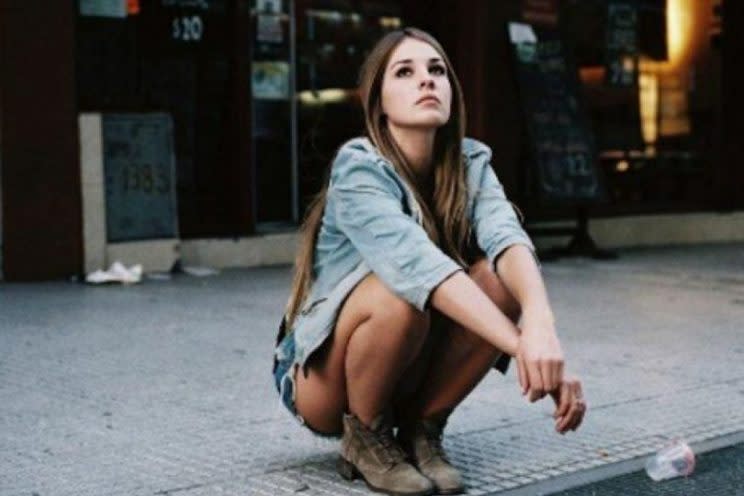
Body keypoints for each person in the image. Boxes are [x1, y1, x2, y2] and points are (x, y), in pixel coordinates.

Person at [273, 27, 587, 496]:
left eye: (436, 70)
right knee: (400, 293)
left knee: (500, 283)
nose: (426, 80)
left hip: (407, 355)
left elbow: (507, 238)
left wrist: (541, 321)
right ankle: (367, 436)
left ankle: (422, 431)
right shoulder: (358, 166)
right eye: (405, 71)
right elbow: (421, 270)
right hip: (321, 379)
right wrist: (524, 348)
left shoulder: (469, 161)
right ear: (377, 102)